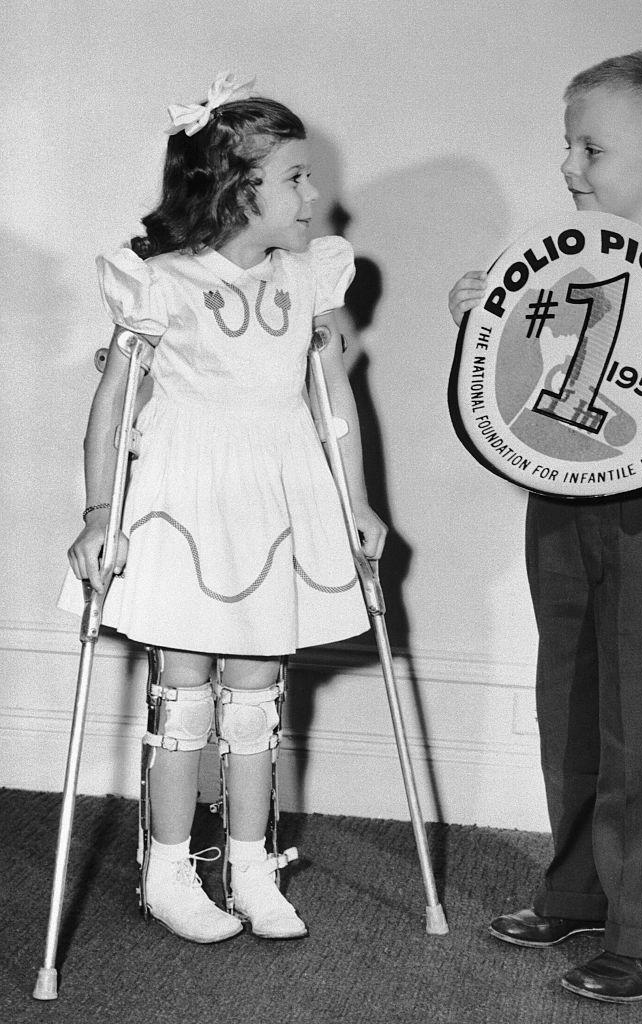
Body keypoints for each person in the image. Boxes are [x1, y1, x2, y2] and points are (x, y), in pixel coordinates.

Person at [448, 50, 642, 1003]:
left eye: (590, 147)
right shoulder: (557, 269)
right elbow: (512, 392)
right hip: (563, 511)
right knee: (574, 705)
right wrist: (481, 321)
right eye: (567, 145)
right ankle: (579, 887)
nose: (569, 165)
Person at [65, 72, 386, 944]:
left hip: (274, 494)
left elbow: (332, 400)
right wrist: (101, 511)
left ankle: (250, 863)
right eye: (293, 176)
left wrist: (356, 501)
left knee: (256, 695)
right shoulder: (160, 282)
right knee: (185, 692)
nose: (313, 194)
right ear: (234, 188)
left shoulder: (307, 278)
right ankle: (169, 868)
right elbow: (113, 407)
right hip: (183, 494)